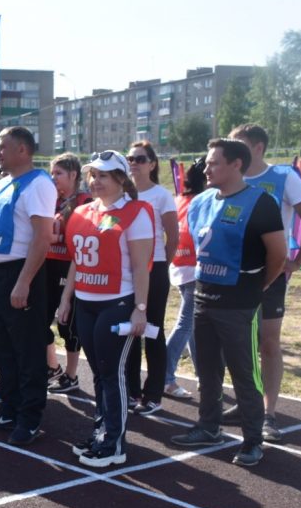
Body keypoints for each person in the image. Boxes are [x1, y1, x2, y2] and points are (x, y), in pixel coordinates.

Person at [170, 138, 286, 467]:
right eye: (207, 163)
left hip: (240, 303)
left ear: (236, 165)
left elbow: (278, 255)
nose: (206, 168)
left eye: (214, 163)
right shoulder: (201, 201)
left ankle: (252, 440)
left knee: (243, 373)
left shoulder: (261, 202)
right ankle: (209, 426)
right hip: (204, 297)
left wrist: (255, 287)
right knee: (207, 370)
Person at [57, 151, 154, 467]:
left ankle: (115, 442)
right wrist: (66, 298)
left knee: (113, 374)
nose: (95, 180)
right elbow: (76, 260)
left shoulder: (136, 213)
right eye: (93, 175)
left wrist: (140, 309)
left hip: (118, 303)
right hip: (86, 303)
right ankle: (102, 432)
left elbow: (141, 267)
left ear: (120, 180)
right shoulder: (83, 211)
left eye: (104, 175)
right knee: (97, 372)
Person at [227, 124, 301, 440]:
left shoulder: (283, 177)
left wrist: (298, 261)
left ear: (257, 148)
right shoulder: (230, 178)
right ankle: (246, 402)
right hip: (233, 274)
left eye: (237, 143)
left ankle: (269, 414)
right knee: (238, 343)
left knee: (268, 343)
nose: (231, 149)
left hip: (270, 274)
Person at [0, 127, 55, 445]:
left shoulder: (38, 184)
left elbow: (42, 237)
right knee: (4, 347)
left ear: (23, 150)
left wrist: (23, 282)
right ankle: (8, 408)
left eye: (3, 147)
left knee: (28, 350)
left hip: (21, 274)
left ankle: (30, 417)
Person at [125, 141, 178, 415]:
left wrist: (160, 266)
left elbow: (173, 236)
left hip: (154, 268)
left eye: (140, 158)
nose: (134, 162)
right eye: (130, 158)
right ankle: (132, 391)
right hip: (126, 270)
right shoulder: (123, 194)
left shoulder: (161, 195)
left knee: (153, 330)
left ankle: (154, 393)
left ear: (152, 164)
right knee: (129, 331)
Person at [45, 153, 90, 393]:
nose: (54, 178)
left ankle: (72, 375)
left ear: (74, 174)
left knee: (67, 323)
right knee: (39, 319)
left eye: (59, 173)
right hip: (47, 264)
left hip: (70, 266)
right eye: (52, 173)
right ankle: (52, 366)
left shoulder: (84, 201)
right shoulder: (51, 200)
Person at [164, 157, 207, 398]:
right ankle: (165, 376)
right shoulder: (202, 201)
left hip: (179, 266)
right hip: (194, 267)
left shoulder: (180, 199)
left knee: (192, 326)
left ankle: (202, 374)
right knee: (186, 322)